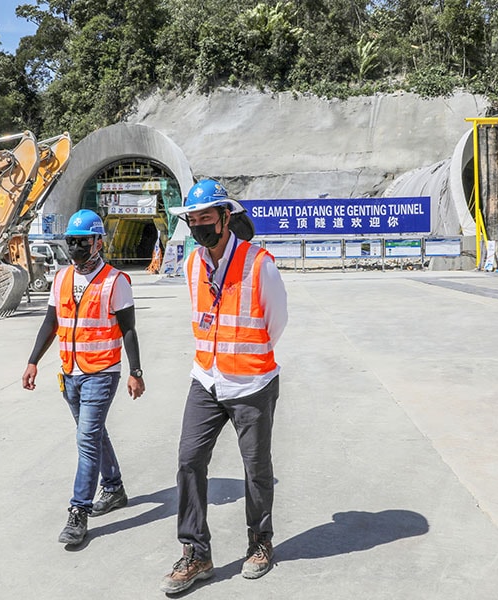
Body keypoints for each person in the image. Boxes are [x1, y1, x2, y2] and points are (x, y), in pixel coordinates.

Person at [159, 179, 288, 594]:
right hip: (206, 379)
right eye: (192, 220)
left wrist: (244, 357)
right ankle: (196, 553)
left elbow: (275, 322)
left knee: (256, 469)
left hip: (251, 381)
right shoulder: (192, 264)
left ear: (225, 218)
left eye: (206, 219)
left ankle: (260, 543)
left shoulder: (258, 263)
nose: (199, 227)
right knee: (188, 460)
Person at [21, 209, 145, 547]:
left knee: (86, 440)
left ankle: (79, 510)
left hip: (102, 372)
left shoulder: (115, 281)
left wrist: (135, 371)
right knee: (92, 433)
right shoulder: (61, 278)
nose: (75, 247)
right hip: (70, 373)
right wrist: (33, 361)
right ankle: (115, 487)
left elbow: (129, 329)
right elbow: (51, 323)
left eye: (82, 241)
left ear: (98, 243)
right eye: (71, 241)